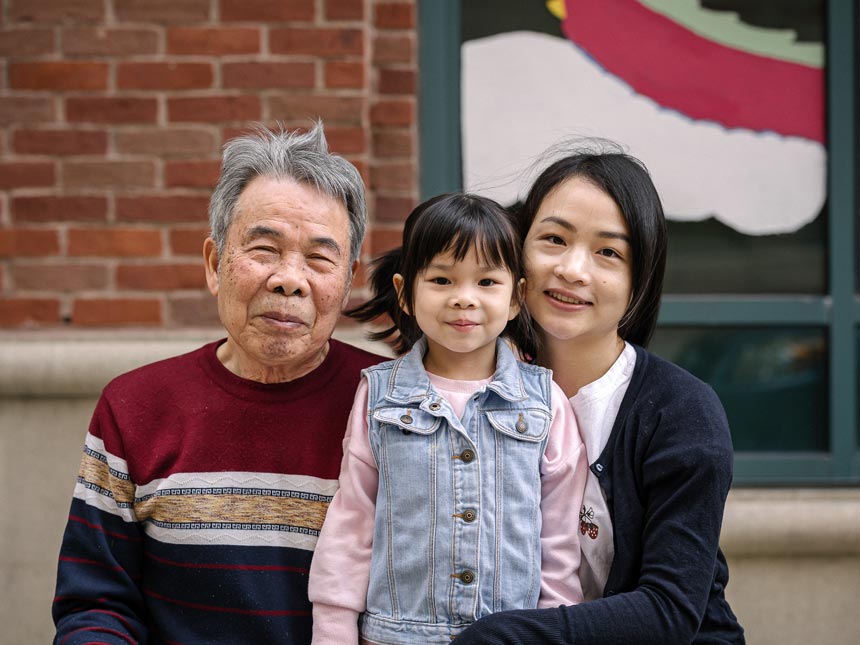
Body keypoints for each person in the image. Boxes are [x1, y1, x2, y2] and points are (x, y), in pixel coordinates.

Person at [51, 122, 385, 645]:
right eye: (265, 249)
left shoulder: (393, 407)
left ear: (346, 282)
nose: (289, 278)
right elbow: (96, 602)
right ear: (214, 264)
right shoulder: (135, 406)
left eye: (320, 259)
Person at [454, 148, 746, 644]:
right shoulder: (471, 386)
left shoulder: (681, 412)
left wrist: (503, 636)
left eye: (608, 252)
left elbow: (669, 609)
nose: (572, 269)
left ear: (640, 280)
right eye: (553, 239)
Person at [307, 193, 588, 644]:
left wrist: (552, 629)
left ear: (516, 297)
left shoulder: (544, 401)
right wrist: (334, 629)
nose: (463, 299)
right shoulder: (379, 397)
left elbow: (559, 539)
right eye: (441, 280)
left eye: (486, 282)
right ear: (405, 293)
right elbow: (352, 522)